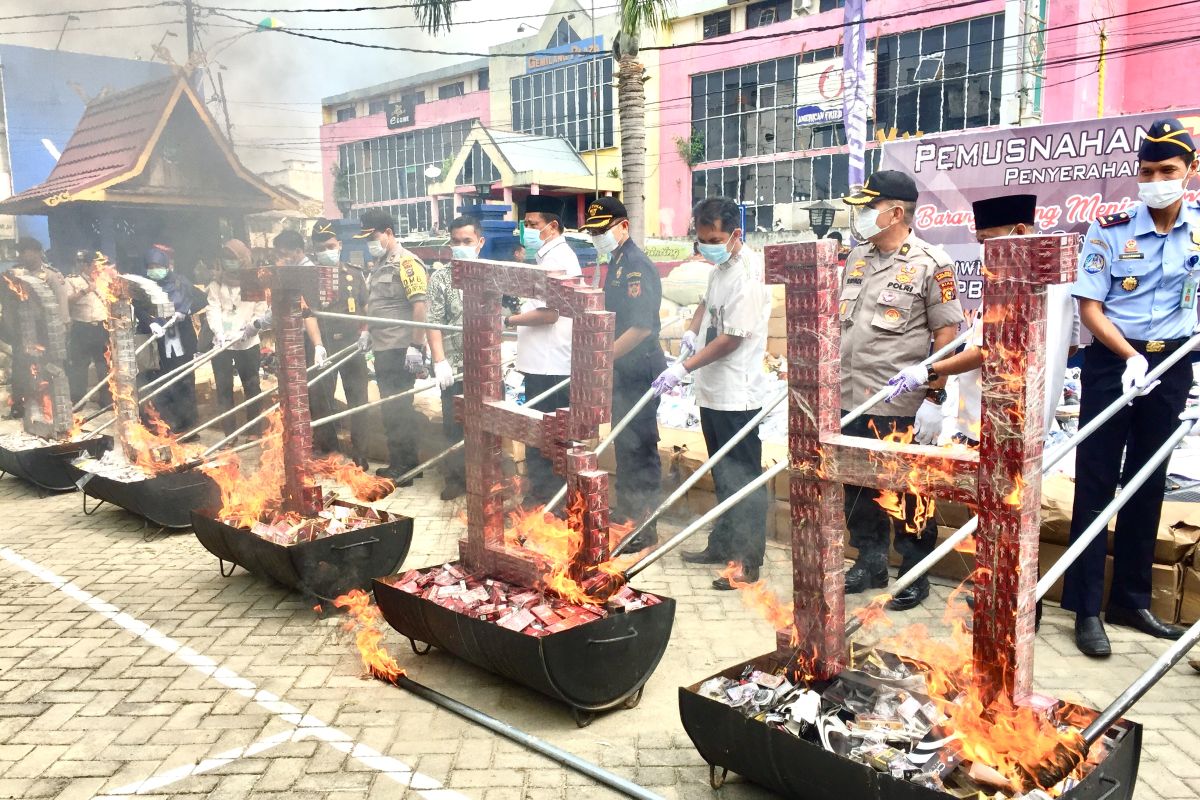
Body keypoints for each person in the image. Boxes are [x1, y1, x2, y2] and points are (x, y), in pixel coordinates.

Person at [1061, 118, 1197, 657]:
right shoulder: (1109, 228)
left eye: (1167, 170)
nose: (1156, 179)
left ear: (1190, 172)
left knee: (1149, 480)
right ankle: (1086, 606)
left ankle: (1132, 600)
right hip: (1112, 363)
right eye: (1147, 171)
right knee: (1095, 482)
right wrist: (1129, 355)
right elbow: (1089, 306)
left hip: (1174, 364)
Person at [838, 170, 965, 610]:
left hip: (899, 402)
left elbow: (947, 333)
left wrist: (935, 396)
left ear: (894, 212)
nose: (860, 215)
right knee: (856, 488)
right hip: (850, 395)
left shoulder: (932, 262)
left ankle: (914, 570)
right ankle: (869, 560)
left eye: (868, 207)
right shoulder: (856, 258)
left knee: (908, 493)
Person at [884, 194, 1080, 444]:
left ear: (1019, 231)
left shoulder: (1012, 282)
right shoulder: (1060, 279)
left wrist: (925, 372)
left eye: (987, 241)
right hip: (1033, 422)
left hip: (991, 424)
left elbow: (984, 352)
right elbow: (1070, 347)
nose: (983, 250)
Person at [659, 197, 771, 589]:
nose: (708, 244)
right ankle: (721, 544)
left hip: (737, 394)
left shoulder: (750, 274)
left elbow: (730, 341)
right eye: (702, 238)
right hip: (712, 390)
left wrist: (683, 366)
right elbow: (706, 304)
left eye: (715, 238)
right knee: (722, 475)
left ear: (735, 234)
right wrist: (691, 330)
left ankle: (747, 559)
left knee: (743, 477)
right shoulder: (718, 268)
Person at [582, 198, 666, 549]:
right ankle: (628, 511)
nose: (599, 236)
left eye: (604, 230)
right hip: (621, 368)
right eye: (594, 232)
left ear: (624, 226)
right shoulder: (615, 261)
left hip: (640, 368)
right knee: (625, 442)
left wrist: (602, 356)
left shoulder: (635, 265)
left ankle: (645, 525)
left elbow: (642, 327)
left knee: (641, 445)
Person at [507, 195, 581, 506]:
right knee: (542, 436)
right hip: (541, 364)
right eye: (525, 225)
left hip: (551, 367)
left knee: (549, 439)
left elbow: (550, 313)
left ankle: (550, 503)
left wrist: (508, 320)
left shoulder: (557, 260)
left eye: (533, 225)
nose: (527, 231)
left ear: (552, 226)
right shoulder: (547, 257)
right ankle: (542, 499)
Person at [356, 209, 429, 485]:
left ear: (388, 232)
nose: (369, 243)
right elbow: (378, 307)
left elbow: (420, 305)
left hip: (401, 348)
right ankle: (407, 463)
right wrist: (368, 333)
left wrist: (416, 345)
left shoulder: (407, 263)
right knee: (394, 408)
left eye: (373, 236)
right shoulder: (380, 263)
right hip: (384, 346)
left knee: (397, 408)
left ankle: (403, 467)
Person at [308, 219, 370, 469]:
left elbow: (366, 308)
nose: (327, 251)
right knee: (322, 402)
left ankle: (360, 452)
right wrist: (317, 345)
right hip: (325, 347)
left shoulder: (354, 274)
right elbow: (308, 313)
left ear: (339, 245)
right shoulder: (310, 279)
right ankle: (332, 452)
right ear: (314, 250)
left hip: (353, 345)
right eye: (321, 247)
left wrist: (366, 332)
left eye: (331, 246)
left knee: (359, 400)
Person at [427, 216, 478, 500]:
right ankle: (457, 479)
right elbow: (433, 322)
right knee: (454, 425)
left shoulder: (492, 273)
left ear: (479, 242)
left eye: (467, 242)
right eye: (456, 242)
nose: (460, 247)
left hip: (486, 367)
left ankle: (485, 478)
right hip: (454, 367)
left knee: (486, 425)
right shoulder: (441, 278)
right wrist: (439, 360)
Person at [206, 239, 268, 439]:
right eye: (226, 258)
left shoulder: (254, 283)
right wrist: (219, 333)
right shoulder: (216, 283)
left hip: (247, 342)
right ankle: (229, 434)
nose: (229, 262)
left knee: (251, 385)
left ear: (242, 259)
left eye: (233, 258)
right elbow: (212, 308)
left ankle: (254, 430)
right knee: (224, 388)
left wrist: (248, 329)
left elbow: (260, 310)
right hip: (222, 343)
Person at [141, 243, 200, 433]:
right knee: (161, 382)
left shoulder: (181, 283)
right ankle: (166, 425)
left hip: (181, 340)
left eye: (157, 267)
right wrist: (150, 323)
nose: (154, 270)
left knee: (184, 381)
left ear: (167, 266)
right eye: (150, 267)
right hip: (159, 342)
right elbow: (139, 308)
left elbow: (200, 299)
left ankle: (188, 426)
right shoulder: (144, 287)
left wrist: (186, 312)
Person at [8, 239, 70, 417]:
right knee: (21, 365)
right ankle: (20, 404)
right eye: (20, 252)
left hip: (46, 328)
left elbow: (61, 301)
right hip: (23, 328)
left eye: (24, 251)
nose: (21, 255)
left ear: (36, 252)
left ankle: (49, 404)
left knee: (48, 365)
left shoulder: (51, 275)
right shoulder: (16, 274)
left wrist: (63, 324)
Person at [64, 250, 112, 407]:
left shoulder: (103, 280)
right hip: (82, 328)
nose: (97, 267)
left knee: (104, 364)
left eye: (97, 265)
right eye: (80, 262)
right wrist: (85, 291)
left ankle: (107, 400)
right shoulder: (71, 281)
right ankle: (78, 401)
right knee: (79, 365)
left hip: (101, 327)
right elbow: (66, 301)